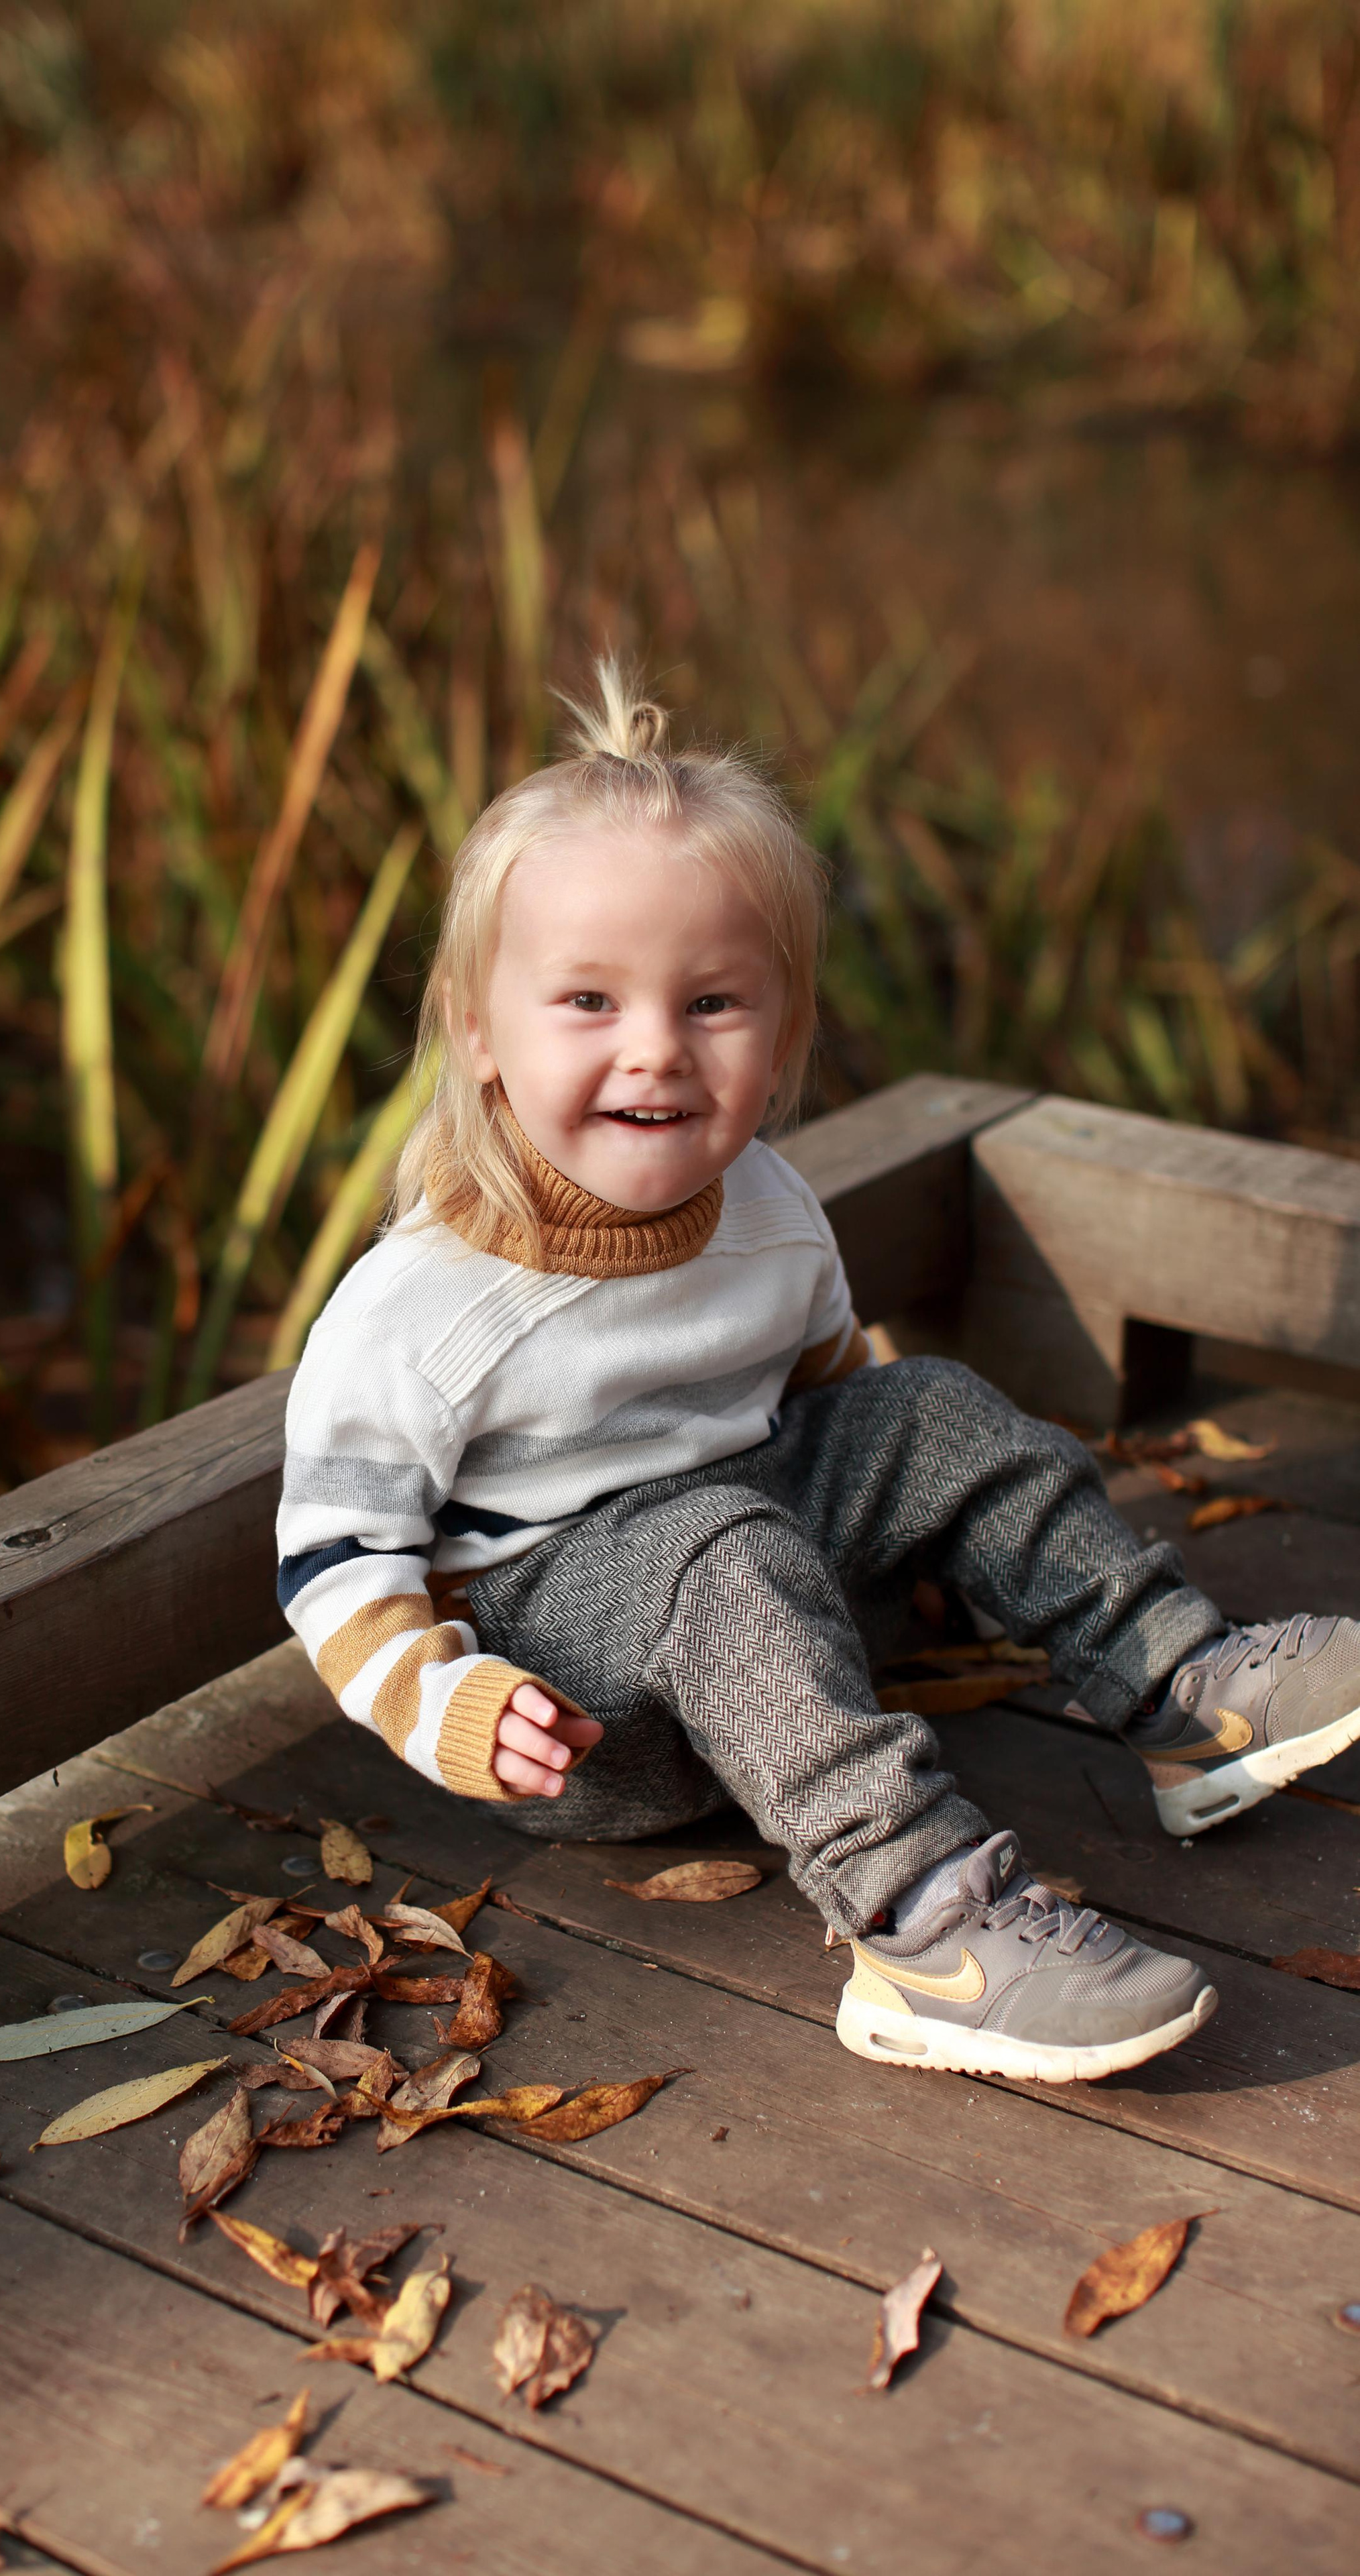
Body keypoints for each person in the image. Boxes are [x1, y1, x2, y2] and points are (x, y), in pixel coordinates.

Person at [276, 663, 1360, 2084]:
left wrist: (916, 1534)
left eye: (711, 1002)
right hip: (590, 1725)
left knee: (922, 1405)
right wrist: (449, 1708)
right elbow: (330, 1566)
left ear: (780, 1035)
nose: (655, 1048)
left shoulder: (771, 1207)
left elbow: (832, 1398)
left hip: (775, 1613)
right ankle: (927, 1932)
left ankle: (1178, 1688)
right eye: (587, 1000)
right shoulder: (422, 1311)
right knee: (710, 1542)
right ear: (479, 1030)